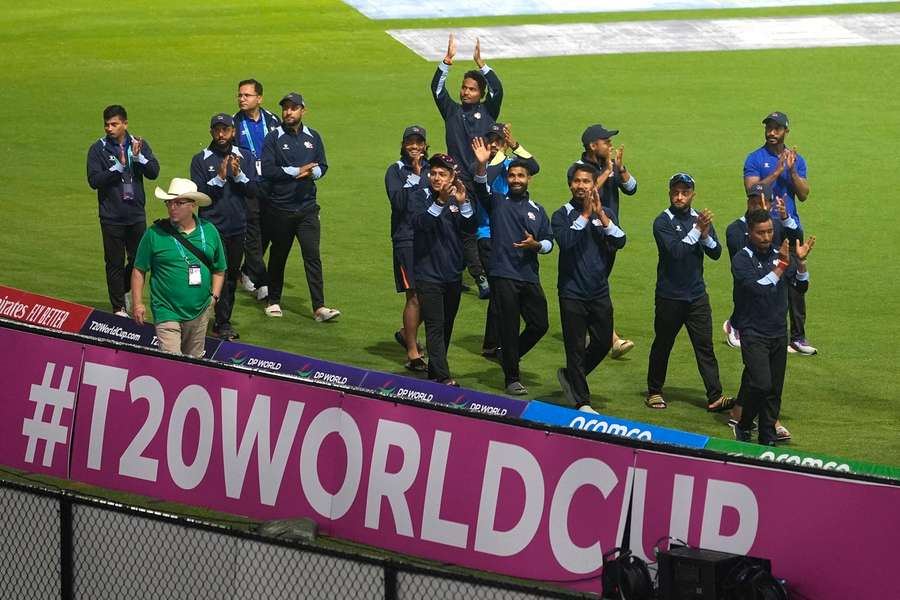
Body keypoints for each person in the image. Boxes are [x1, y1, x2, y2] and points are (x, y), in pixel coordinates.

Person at [472, 138, 553, 396]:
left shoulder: (538, 210)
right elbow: (480, 187)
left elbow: (550, 242)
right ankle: (512, 377)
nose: (516, 179)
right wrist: (483, 164)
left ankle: (508, 354)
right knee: (508, 325)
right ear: (507, 179)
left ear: (529, 179)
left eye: (521, 175)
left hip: (529, 274)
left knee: (540, 324)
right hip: (503, 273)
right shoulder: (497, 202)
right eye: (512, 175)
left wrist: (537, 245)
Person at [646, 172, 732, 411]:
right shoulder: (662, 222)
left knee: (705, 346)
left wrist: (704, 235)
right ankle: (654, 391)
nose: (680, 197)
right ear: (669, 193)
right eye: (676, 192)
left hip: (696, 296)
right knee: (663, 344)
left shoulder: (699, 219)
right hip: (669, 296)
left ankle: (715, 396)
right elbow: (675, 252)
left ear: (693, 194)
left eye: (685, 192)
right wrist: (697, 231)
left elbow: (716, 252)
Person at [724, 184, 802, 440]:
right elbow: (758, 289)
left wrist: (801, 264)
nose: (767, 237)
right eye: (761, 233)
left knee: (774, 390)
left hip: (779, 331)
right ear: (750, 233)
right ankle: (745, 423)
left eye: (770, 232)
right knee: (761, 383)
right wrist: (781, 266)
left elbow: (801, 286)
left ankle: (767, 435)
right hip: (754, 331)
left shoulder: (781, 256)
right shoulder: (742, 259)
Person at [552, 163, 627, 413]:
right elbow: (566, 242)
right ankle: (582, 401)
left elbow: (620, 241)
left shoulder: (605, 213)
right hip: (571, 292)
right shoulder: (562, 214)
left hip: (598, 291)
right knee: (574, 347)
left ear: (594, 184)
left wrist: (601, 217)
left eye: (586, 181)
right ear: (570, 184)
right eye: (577, 181)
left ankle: (572, 376)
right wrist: (585, 215)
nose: (581, 186)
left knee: (603, 342)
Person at [260, 92, 340, 322]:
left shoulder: (313, 136)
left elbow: (323, 165)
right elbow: (267, 169)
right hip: (280, 209)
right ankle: (273, 300)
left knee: (312, 256)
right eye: (285, 108)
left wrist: (312, 172)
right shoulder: (273, 137)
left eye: (293, 108)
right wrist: (297, 171)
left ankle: (319, 307)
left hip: (307, 209)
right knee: (278, 255)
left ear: (303, 110)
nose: (288, 112)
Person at [743, 111, 815, 355]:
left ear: (786, 131)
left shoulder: (797, 160)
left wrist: (792, 171)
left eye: (777, 128)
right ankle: (749, 327)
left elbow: (804, 194)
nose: (771, 132)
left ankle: (798, 337)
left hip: (789, 227)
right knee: (763, 279)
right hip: (762, 227)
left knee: (796, 280)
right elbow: (752, 190)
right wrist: (776, 172)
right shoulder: (755, 158)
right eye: (769, 128)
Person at [131, 178, 225, 358]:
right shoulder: (154, 233)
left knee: (193, 364)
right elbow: (139, 269)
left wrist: (214, 296)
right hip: (166, 310)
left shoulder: (210, 231)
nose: (172, 207)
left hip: (199, 310)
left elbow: (219, 268)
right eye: (169, 202)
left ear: (193, 205)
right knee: (172, 362)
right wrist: (137, 303)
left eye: (178, 203)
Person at [569, 124, 639, 359]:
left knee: (599, 281)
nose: (610, 145)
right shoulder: (579, 171)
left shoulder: (608, 165)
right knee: (596, 283)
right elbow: (586, 195)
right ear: (592, 146)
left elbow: (632, 188)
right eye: (605, 141)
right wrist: (606, 173)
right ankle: (611, 339)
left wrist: (620, 168)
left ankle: (594, 330)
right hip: (588, 236)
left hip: (609, 232)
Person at [86, 105, 160, 317]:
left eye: (114, 124)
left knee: (138, 260)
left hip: (135, 214)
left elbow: (154, 172)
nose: (109, 128)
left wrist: (138, 159)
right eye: (107, 124)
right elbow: (94, 181)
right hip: (111, 216)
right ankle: (118, 307)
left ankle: (125, 289)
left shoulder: (139, 145)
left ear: (125, 124)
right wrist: (117, 168)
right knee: (114, 262)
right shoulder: (98, 149)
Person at [189, 113, 258, 340]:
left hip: (237, 227)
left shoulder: (245, 157)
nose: (221, 134)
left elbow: (254, 191)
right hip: (210, 228)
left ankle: (222, 322)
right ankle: (196, 318)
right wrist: (219, 178)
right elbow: (198, 195)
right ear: (211, 131)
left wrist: (237, 175)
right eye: (217, 130)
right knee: (203, 276)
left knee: (229, 277)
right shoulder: (200, 160)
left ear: (233, 132)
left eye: (225, 130)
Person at [410, 154, 477, 384]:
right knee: (435, 326)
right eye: (434, 173)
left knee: (447, 326)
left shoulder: (456, 200)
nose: (436, 177)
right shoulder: (420, 197)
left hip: (452, 275)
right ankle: (444, 377)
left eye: (442, 174)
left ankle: (435, 374)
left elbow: (469, 230)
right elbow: (421, 224)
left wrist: (464, 203)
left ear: (452, 176)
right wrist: (439, 201)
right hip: (428, 275)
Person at [477, 122, 540, 357]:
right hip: (488, 235)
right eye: (491, 139)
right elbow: (488, 180)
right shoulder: (484, 165)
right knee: (499, 290)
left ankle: (493, 343)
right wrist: (500, 155)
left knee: (500, 292)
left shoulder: (511, 166)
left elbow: (534, 166)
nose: (494, 144)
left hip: (509, 237)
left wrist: (514, 145)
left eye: (499, 140)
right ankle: (493, 344)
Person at [384, 125, 429, 371]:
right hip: (406, 239)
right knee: (414, 296)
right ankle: (413, 353)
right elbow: (398, 203)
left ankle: (406, 332)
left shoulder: (434, 168)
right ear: (403, 145)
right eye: (410, 142)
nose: (414, 147)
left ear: (424, 145)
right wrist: (414, 176)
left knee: (432, 295)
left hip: (431, 239)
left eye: (418, 142)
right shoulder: (396, 171)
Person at [431, 34, 503, 180]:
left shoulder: (488, 110)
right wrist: (447, 61)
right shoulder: (451, 111)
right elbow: (437, 89)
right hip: (458, 179)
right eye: (464, 88)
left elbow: (497, 89)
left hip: (482, 177)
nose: (466, 92)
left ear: (482, 93)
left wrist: (481, 64)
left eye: (472, 89)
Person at [233, 78, 280, 300]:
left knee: (268, 231)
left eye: (247, 95)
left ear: (259, 98)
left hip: (270, 185)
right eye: (240, 95)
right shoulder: (233, 123)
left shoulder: (272, 120)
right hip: (247, 186)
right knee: (252, 232)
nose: (242, 99)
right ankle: (263, 282)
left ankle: (246, 271)